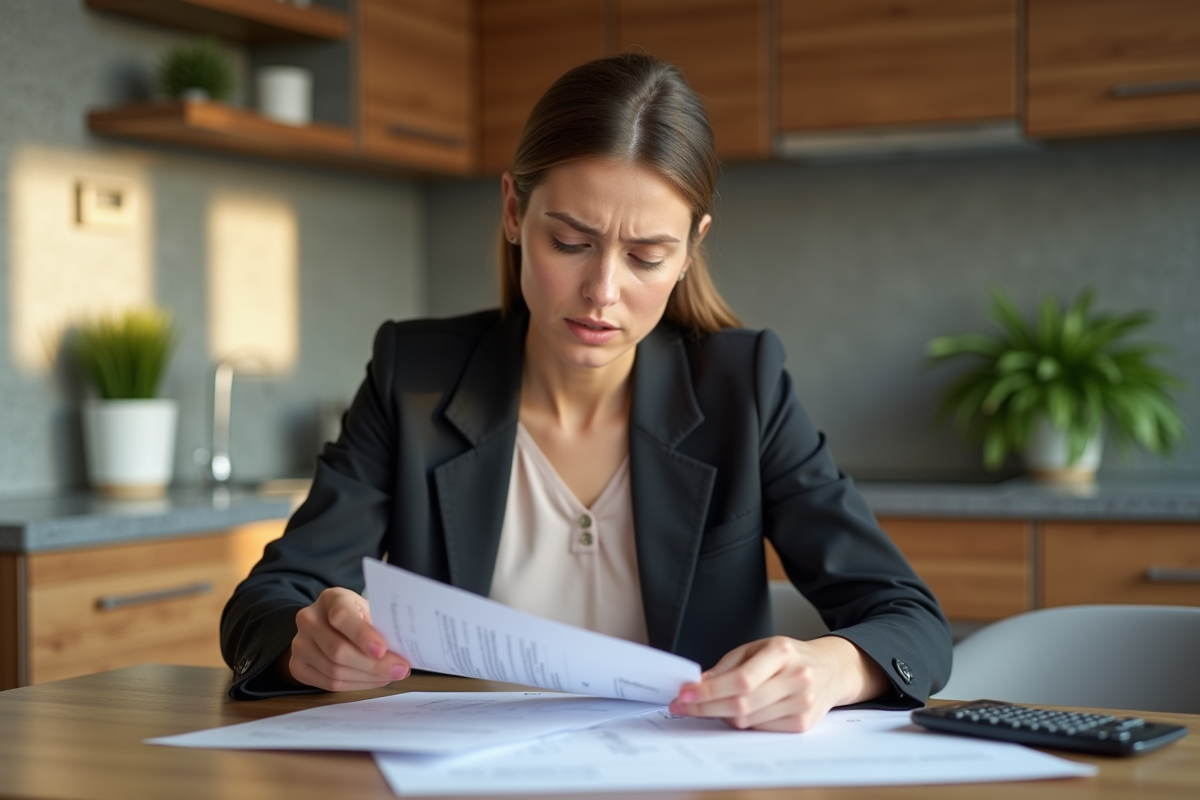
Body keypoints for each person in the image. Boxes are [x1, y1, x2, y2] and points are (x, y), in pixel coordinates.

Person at [222, 53, 952, 732]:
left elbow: (908, 618)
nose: (602, 292)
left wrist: (829, 667)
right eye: (570, 242)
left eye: (646, 256)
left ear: (692, 248)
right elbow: (267, 601)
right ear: (514, 212)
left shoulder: (744, 387)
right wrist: (304, 645)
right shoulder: (413, 375)